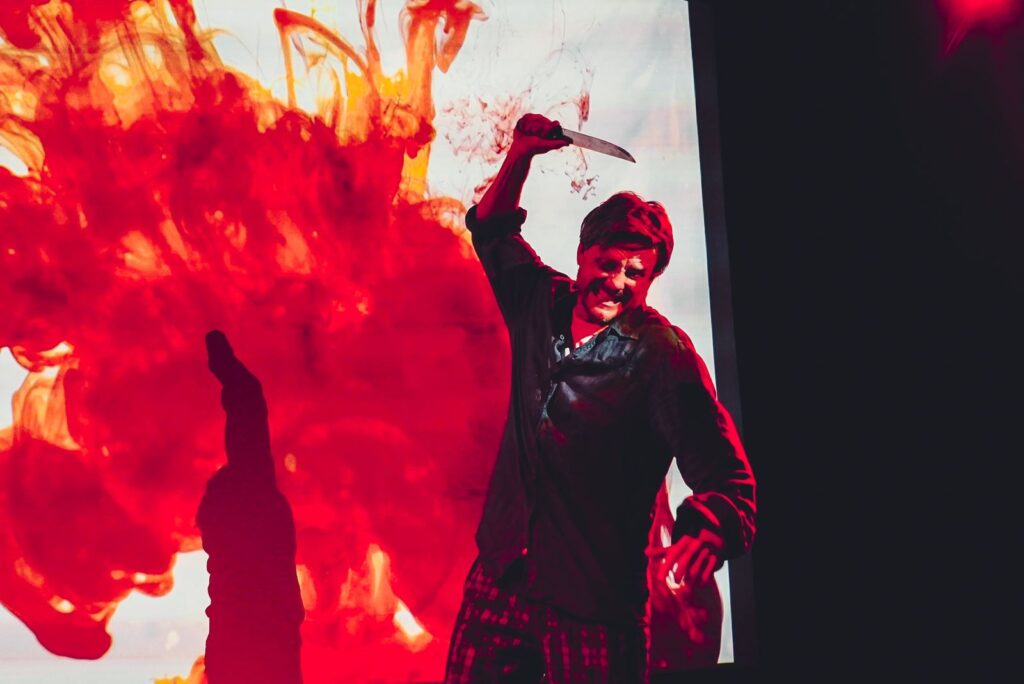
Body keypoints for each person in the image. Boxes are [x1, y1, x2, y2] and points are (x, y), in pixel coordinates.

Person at [443, 114, 757, 683]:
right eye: (607, 264)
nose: (616, 282)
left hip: (591, 609)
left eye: (635, 273)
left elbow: (730, 482)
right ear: (583, 255)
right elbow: (493, 231)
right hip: (503, 578)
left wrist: (712, 525)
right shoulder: (539, 302)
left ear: (652, 278)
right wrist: (520, 153)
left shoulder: (661, 356)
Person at [197, 331, 304, 683]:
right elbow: (249, 411)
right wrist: (231, 373)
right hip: (263, 652)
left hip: (234, 653)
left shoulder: (230, 554)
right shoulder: (252, 518)